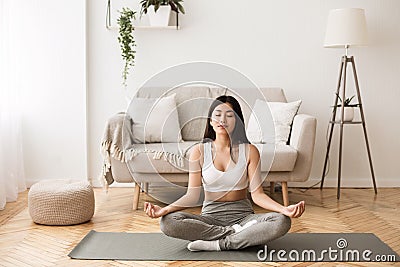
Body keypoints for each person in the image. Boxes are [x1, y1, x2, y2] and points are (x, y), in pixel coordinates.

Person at [144, 95, 305, 251]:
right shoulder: (199, 151)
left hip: (243, 217)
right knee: (168, 222)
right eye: (218, 115)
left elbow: (257, 195)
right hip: (210, 218)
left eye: (229, 115)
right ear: (210, 121)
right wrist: (164, 210)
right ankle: (237, 237)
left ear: (237, 121)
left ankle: (217, 244)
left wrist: (284, 209)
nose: (223, 120)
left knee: (281, 221)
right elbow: (192, 195)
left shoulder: (250, 151)